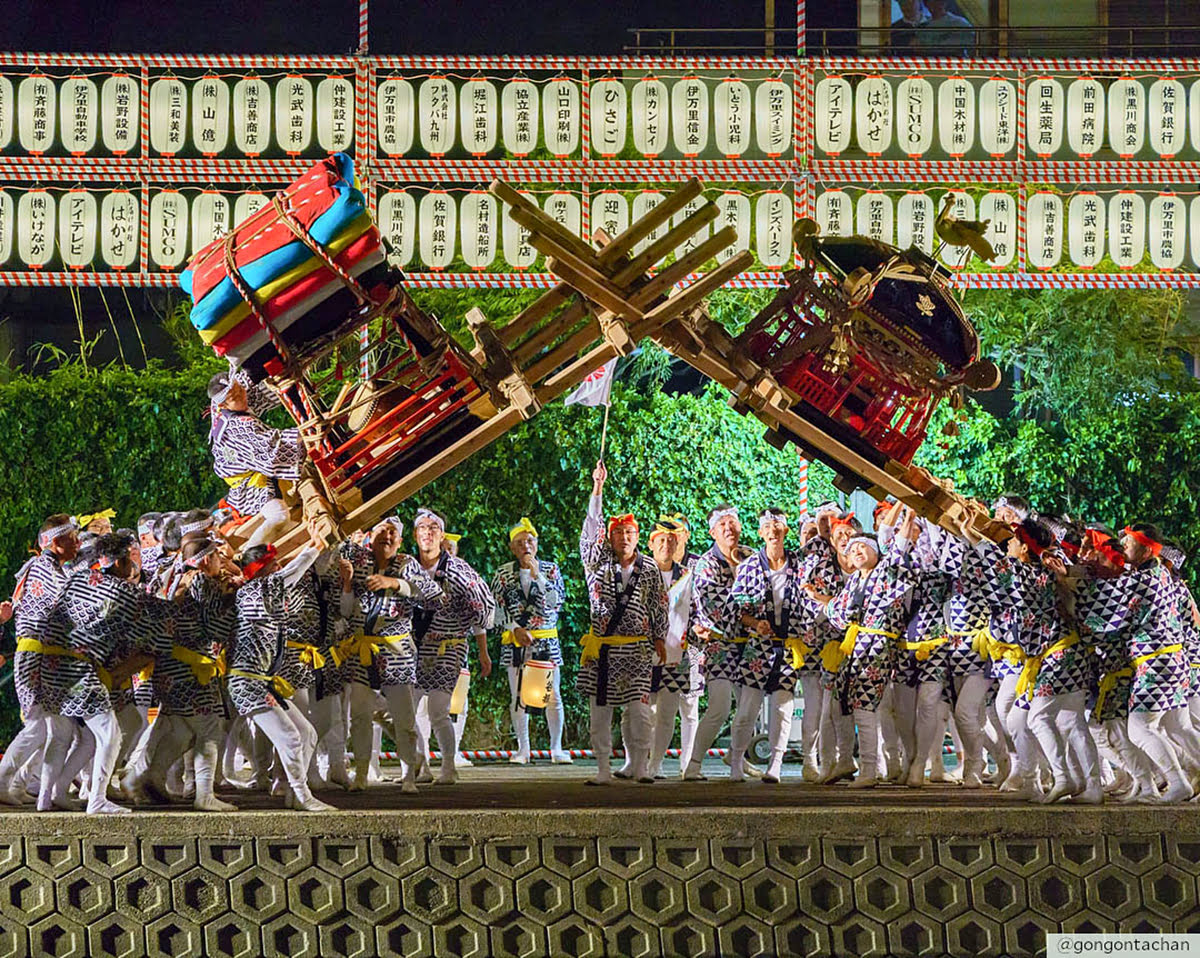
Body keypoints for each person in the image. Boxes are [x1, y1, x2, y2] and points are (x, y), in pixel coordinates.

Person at [40, 533, 171, 814]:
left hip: (50, 666)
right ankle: (96, 799)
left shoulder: (78, 579)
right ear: (122, 561)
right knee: (110, 734)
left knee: (83, 736)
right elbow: (154, 635)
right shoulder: (126, 593)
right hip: (80, 671)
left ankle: (56, 792)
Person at [809, 510, 923, 789]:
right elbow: (836, 613)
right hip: (852, 650)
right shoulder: (853, 585)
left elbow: (898, 544)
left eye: (863, 546)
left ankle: (870, 769)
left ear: (876, 553)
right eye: (852, 549)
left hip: (877, 649)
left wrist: (908, 513)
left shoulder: (886, 572)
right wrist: (817, 598)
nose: (856, 550)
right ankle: (846, 760)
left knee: (864, 709)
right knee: (838, 706)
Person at [226, 529, 335, 812]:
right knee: (290, 736)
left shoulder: (263, 591)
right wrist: (315, 546)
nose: (279, 568)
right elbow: (292, 572)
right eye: (274, 565)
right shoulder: (255, 591)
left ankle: (292, 791)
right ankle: (301, 795)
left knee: (307, 733)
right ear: (262, 569)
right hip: (247, 682)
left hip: (264, 682)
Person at [338, 517, 443, 793]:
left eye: (392, 533)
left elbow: (433, 596)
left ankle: (409, 774)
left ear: (399, 541)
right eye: (382, 531)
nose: (387, 536)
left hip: (397, 653)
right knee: (359, 715)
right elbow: (346, 611)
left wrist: (396, 583)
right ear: (370, 537)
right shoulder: (359, 562)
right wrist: (348, 585)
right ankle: (361, 772)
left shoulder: (407, 563)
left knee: (403, 717)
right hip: (363, 651)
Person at [578, 461, 668, 785]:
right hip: (602, 650)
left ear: (638, 537)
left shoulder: (650, 568)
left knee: (640, 712)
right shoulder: (596, 561)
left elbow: (659, 603)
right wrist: (597, 488)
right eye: (618, 532)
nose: (624, 537)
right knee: (600, 711)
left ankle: (639, 765)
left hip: (637, 651)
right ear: (610, 537)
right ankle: (602, 769)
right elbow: (591, 528)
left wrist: (660, 638)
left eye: (630, 533)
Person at [409, 509, 494, 785]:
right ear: (415, 534)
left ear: (441, 535)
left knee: (438, 709)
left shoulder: (458, 569)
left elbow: (484, 605)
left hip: (449, 646)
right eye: (422, 527)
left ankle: (448, 765)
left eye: (433, 528)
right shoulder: (408, 567)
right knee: (406, 710)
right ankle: (420, 763)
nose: (427, 532)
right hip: (415, 648)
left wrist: (469, 627)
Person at [728, 508, 812, 783]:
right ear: (761, 533)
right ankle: (736, 762)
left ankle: (775, 763)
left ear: (786, 531)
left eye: (778, 527)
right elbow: (736, 604)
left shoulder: (800, 564)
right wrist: (754, 623)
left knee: (782, 707)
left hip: (789, 645)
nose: (773, 531)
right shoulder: (750, 565)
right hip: (758, 645)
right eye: (768, 527)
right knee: (747, 709)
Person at [0, 515, 80, 806]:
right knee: (37, 726)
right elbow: (69, 600)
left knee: (60, 729)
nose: (79, 544)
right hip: (35, 656)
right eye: (74, 539)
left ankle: (39, 791)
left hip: (45, 657)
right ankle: (2, 782)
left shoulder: (49, 567)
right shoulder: (45, 568)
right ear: (57, 543)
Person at [682, 503, 755, 782]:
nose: (729, 528)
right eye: (722, 524)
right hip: (719, 644)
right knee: (720, 707)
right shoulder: (706, 564)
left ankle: (737, 759)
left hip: (749, 645)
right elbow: (721, 606)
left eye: (732, 523)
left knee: (749, 708)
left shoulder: (750, 556)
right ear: (713, 532)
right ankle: (694, 764)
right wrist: (740, 577)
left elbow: (761, 596)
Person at [491, 517, 571, 765]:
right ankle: (523, 749)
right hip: (516, 642)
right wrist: (514, 628)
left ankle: (556, 748)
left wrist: (539, 577)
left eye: (530, 541)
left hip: (545, 641)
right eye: (520, 542)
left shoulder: (551, 569)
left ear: (536, 544)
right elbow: (494, 608)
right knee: (519, 696)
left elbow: (556, 603)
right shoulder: (503, 573)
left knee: (553, 696)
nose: (526, 546)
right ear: (512, 547)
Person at [207, 368, 305, 549]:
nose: (241, 395)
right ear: (223, 406)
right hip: (248, 485)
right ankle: (249, 554)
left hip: (248, 468)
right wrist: (306, 432)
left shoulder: (225, 398)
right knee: (279, 516)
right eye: (234, 397)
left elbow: (245, 379)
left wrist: (289, 371)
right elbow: (270, 448)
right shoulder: (239, 426)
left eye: (238, 389)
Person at [645, 516, 702, 779]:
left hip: (676, 653)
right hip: (643, 653)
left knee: (667, 714)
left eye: (672, 540)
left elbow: (697, 610)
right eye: (661, 540)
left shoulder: (686, 575)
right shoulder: (641, 573)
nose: (667, 545)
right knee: (642, 712)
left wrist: (700, 628)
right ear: (651, 543)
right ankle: (637, 762)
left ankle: (655, 765)